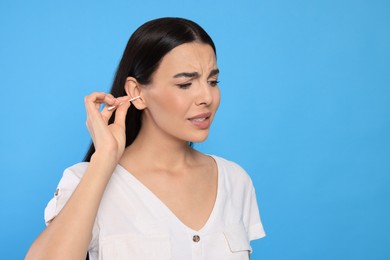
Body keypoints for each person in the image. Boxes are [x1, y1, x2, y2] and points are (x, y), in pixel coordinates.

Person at [26, 17, 265, 260]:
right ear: (137, 93)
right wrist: (104, 160)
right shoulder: (84, 181)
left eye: (213, 81)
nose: (207, 97)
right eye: (185, 84)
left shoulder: (234, 181)